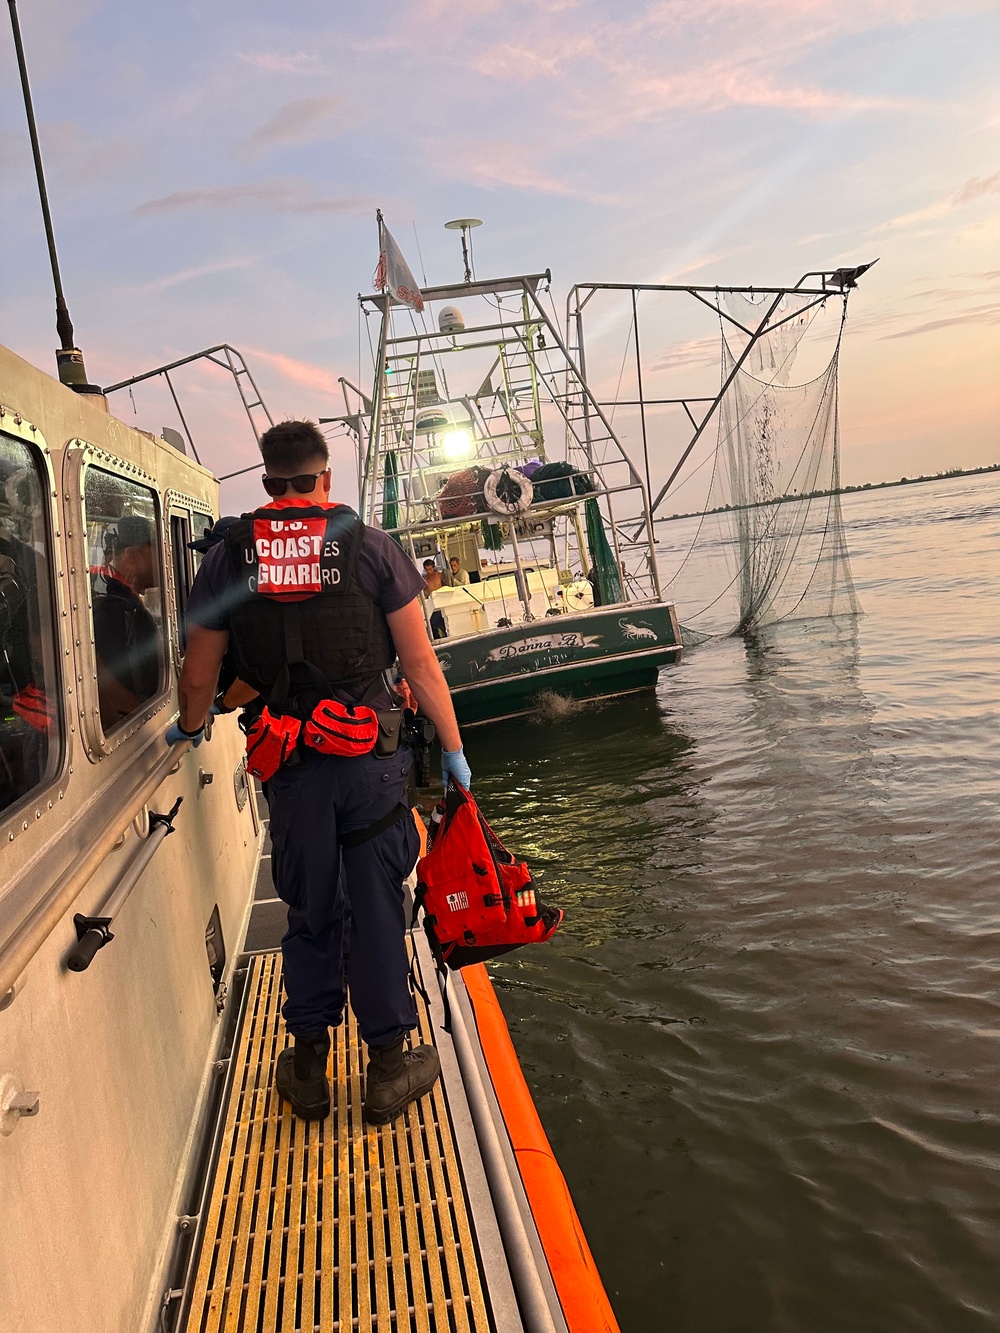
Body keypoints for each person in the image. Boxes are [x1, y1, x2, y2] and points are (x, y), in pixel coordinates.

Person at [168, 420, 472, 1126]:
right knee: (373, 905)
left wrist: (188, 731)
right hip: (368, 764)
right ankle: (389, 1069)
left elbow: (199, 676)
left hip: (292, 768)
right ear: (324, 478)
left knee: (309, 908)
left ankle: (307, 1070)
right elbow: (421, 666)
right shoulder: (373, 548)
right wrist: (454, 755)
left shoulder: (228, 558)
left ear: (269, 482)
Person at [92, 515, 161, 730]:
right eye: (155, 549)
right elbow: (98, 672)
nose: (164, 559)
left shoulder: (106, 591)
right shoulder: (114, 606)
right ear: (132, 555)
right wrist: (136, 715)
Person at [422, 558, 448, 639]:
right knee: (433, 623)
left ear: (433, 567)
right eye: (427, 570)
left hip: (441, 601)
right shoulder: (424, 578)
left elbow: (446, 586)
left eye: (430, 569)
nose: (429, 571)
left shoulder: (439, 575)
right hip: (431, 603)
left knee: (444, 622)